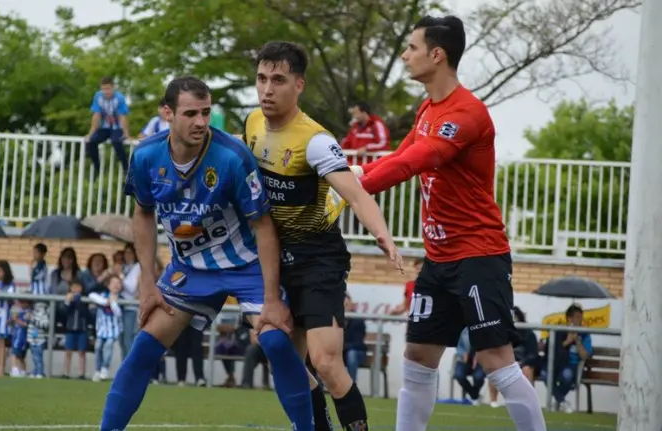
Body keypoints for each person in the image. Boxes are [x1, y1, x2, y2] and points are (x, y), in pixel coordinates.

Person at [344, 16, 547, 431]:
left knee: (496, 361)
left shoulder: (467, 113)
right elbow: (398, 155)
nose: (405, 54)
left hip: (478, 255)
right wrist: (345, 175)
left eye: (412, 47)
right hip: (438, 259)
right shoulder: (427, 108)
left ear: (437, 55)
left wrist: (348, 187)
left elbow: (414, 162)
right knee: (417, 355)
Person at [100, 76, 315, 431]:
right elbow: (142, 213)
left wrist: (272, 297)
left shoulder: (232, 156)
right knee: (143, 349)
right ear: (167, 113)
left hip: (246, 266)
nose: (201, 122)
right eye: (190, 114)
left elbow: (263, 226)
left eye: (206, 112)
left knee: (275, 341)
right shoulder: (145, 155)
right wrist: (148, 284)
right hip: (190, 269)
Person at [242, 41, 402, 431]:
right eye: (262, 78)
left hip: (317, 257)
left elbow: (355, 192)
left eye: (278, 80)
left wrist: (382, 234)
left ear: (298, 85)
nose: (267, 89)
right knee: (285, 360)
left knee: (326, 362)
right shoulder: (251, 124)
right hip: (274, 256)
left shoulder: (314, 140)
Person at [86, 76, 131, 173]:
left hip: (117, 127)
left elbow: (122, 116)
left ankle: (126, 167)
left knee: (116, 141)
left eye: (108, 89)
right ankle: (97, 167)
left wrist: (126, 133)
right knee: (91, 141)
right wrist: (91, 133)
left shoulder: (119, 98)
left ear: (113, 87)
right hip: (104, 127)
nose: (106, 91)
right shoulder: (98, 96)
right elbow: (96, 115)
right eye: (103, 89)